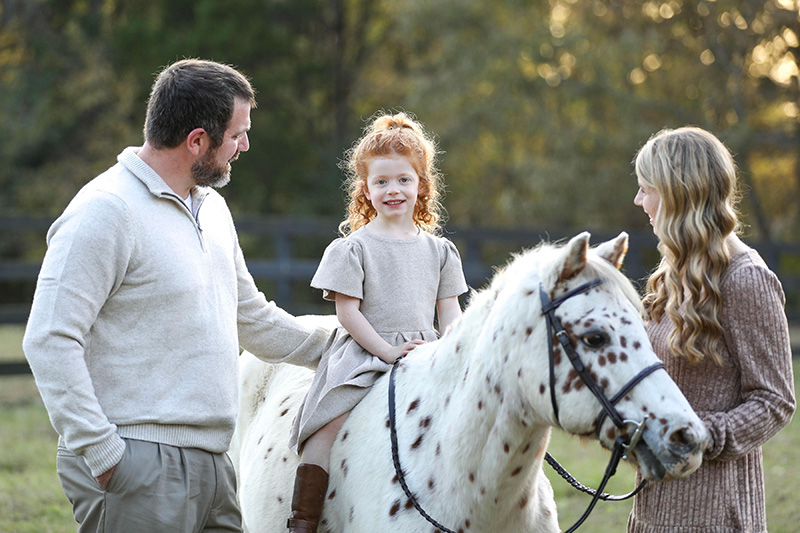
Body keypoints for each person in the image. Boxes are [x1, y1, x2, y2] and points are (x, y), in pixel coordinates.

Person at [22, 59, 334, 532]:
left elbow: (250, 317)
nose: (244, 145)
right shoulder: (105, 211)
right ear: (197, 141)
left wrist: (345, 348)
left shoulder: (212, 209)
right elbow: (48, 337)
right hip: (136, 464)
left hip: (214, 464)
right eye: (236, 134)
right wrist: (105, 454)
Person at [284, 111, 468, 532]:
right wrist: (386, 352)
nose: (393, 190)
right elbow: (347, 313)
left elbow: (450, 314)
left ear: (422, 183)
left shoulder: (441, 251)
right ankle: (303, 520)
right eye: (381, 182)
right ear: (365, 188)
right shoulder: (352, 249)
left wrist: (448, 350)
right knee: (325, 430)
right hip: (366, 354)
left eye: (403, 180)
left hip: (423, 354)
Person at [628, 126, 796, 532]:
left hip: (715, 516)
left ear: (678, 192)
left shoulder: (746, 280)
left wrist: (699, 435)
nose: (638, 201)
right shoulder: (677, 272)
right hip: (654, 508)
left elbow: (775, 401)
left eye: (646, 188)